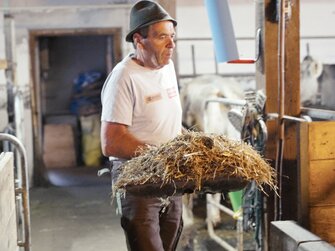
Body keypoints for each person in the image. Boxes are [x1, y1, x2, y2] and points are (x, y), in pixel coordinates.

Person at [100, 1, 183, 250]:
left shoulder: (167, 68)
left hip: (172, 175)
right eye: (161, 38)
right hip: (139, 177)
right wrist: (159, 156)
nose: (171, 45)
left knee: (169, 243)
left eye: (172, 37)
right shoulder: (124, 77)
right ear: (139, 39)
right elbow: (111, 141)